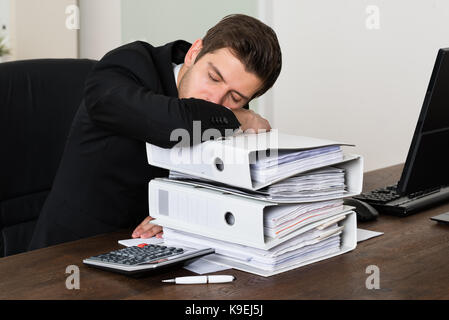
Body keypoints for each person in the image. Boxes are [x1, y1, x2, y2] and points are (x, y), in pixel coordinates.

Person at [28, 14, 282, 250]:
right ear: (194, 52)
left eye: (236, 97)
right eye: (213, 78)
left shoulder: (229, 111)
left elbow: (230, 188)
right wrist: (240, 115)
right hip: (70, 250)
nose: (215, 100)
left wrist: (181, 211)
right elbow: (173, 124)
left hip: (159, 249)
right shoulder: (127, 65)